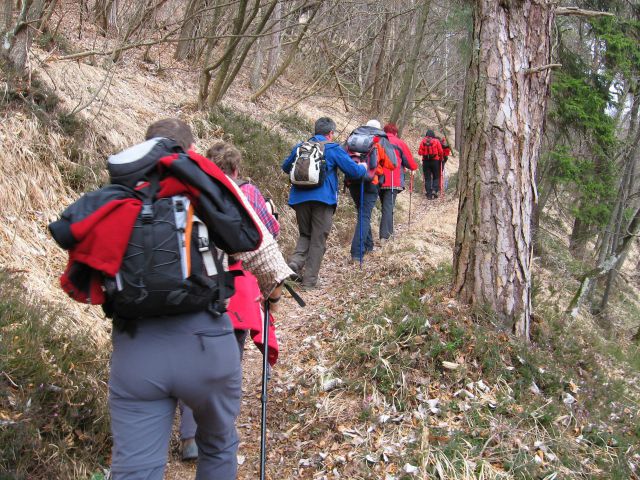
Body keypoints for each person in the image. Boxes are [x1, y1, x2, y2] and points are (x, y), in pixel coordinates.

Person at [50, 118, 293, 480]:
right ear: (189, 150)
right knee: (219, 445)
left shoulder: (119, 197)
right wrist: (272, 297)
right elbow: (261, 250)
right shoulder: (204, 188)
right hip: (208, 344)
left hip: (136, 353)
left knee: (135, 468)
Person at [178, 140, 281, 461]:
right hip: (236, 293)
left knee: (191, 360)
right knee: (226, 363)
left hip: (192, 287)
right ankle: (217, 435)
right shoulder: (246, 194)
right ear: (236, 169)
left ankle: (189, 436)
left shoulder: (188, 192)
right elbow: (268, 232)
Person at [282, 116, 367, 288]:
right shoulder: (333, 148)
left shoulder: (301, 146)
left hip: (299, 198)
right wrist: (363, 167)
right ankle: (310, 282)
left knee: (305, 234)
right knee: (318, 240)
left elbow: (285, 167)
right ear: (330, 133)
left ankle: (295, 264)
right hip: (323, 200)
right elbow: (354, 171)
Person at [344, 119, 396, 262]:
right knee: (365, 215)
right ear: (378, 128)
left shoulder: (354, 135)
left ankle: (368, 246)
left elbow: (343, 155)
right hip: (371, 181)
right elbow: (392, 164)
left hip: (353, 180)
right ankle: (356, 253)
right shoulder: (381, 139)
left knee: (362, 212)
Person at [379, 123, 418, 241]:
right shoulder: (399, 143)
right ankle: (385, 236)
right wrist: (414, 167)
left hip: (378, 177)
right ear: (395, 132)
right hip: (393, 179)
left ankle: (388, 233)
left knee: (385, 207)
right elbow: (410, 163)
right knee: (388, 207)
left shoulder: (378, 141)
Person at [418, 129, 444, 199]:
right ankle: (434, 190)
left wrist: (425, 153)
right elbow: (441, 151)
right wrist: (441, 159)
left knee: (427, 178)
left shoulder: (423, 141)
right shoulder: (437, 141)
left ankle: (429, 194)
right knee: (436, 176)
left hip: (426, 161)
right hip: (435, 161)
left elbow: (419, 152)